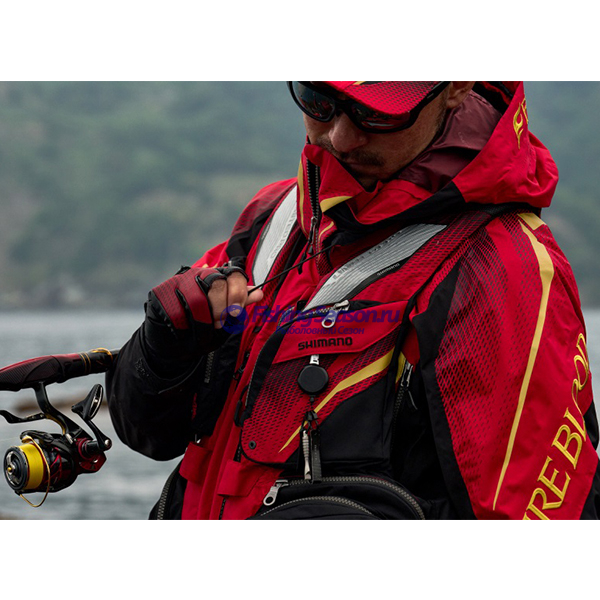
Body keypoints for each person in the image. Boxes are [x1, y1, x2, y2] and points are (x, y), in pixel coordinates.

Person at [107, 81, 600, 519]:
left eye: (378, 113)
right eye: (319, 100)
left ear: (456, 86)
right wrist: (161, 351)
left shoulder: (501, 264)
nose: (340, 138)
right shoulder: (273, 214)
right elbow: (147, 433)